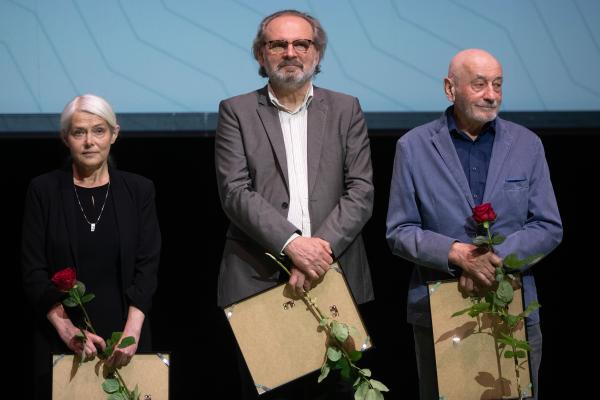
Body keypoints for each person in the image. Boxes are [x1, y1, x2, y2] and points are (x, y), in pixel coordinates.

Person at [215, 9, 374, 399]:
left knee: (338, 393)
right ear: (260, 55)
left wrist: (318, 251)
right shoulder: (235, 111)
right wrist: (293, 245)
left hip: (333, 276)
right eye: (278, 44)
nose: (290, 52)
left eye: (301, 43)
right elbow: (235, 191)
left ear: (316, 53)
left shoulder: (346, 108)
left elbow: (361, 190)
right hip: (258, 279)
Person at [386, 49, 562, 400]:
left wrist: (491, 259)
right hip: (441, 308)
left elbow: (547, 225)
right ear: (450, 89)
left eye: (497, 84)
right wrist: (456, 253)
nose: (492, 94)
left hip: (511, 302)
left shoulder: (527, 144)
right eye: (479, 84)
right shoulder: (414, 146)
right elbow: (399, 231)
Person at [21, 94, 161, 399]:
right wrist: (66, 329)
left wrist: (131, 333)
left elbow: (147, 267)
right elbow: (33, 270)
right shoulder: (43, 191)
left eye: (99, 130)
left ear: (114, 134)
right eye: (78, 132)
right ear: (65, 138)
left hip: (126, 338)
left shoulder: (139, 190)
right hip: (62, 339)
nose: (89, 141)